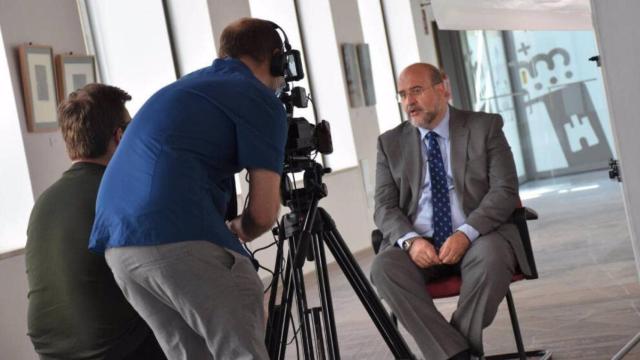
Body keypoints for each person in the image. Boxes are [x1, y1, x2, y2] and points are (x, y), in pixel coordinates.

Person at [89, 17, 288, 360]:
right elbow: (264, 213)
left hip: (117, 245)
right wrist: (241, 228)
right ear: (276, 58)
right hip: (174, 236)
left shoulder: (188, 87)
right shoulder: (256, 96)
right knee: (241, 344)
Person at [370, 63, 532, 360]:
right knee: (383, 269)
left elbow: (504, 191)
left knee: (492, 258)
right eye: (403, 95)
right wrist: (410, 240)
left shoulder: (485, 127)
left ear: (442, 88)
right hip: (419, 245)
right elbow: (384, 206)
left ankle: (451, 351)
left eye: (416, 91)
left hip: (478, 236)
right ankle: (459, 356)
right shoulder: (390, 143)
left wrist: (465, 234)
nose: (409, 102)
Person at [25, 84, 166, 360]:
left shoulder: (44, 201)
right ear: (120, 136)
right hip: (112, 347)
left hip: (50, 349)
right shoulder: (120, 192)